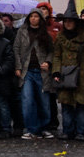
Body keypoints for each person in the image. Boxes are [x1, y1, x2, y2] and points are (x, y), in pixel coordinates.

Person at [14, 9, 55, 139]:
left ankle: (43, 127)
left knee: (43, 101)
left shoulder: (45, 34)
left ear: (40, 19)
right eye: (31, 16)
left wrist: (48, 62)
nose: (33, 18)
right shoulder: (22, 32)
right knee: (27, 100)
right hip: (27, 71)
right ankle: (31, 128)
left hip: (42, 72)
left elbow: (51, 51)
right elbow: (16, 49)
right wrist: (18, 67)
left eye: (36, 16)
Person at [51, 0, 84, 140]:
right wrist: (56, 71)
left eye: (70, 21)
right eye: (65, 21)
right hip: (65, 74)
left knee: (82, 105)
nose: (67, 23)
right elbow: (56, 56)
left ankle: (81, 131)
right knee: (66, 104)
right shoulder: (60, 38)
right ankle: (67, 130)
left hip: (83, 75)